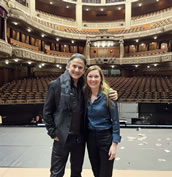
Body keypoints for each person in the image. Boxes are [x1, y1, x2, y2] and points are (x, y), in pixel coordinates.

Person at [43, 53, 118, 177]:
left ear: (84, 70)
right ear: (68, 66)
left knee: (77, 172)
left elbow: (100, 91)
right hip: (61, 137)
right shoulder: (55, 85)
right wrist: (53, 132)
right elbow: (47, 112)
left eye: (80, 68)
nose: (77, 70)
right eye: (74, 66)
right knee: (56, 173)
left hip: (80, 138)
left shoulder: (86, 86)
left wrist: (113, 94)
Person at [84, 65, 121, 177]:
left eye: (96, 76)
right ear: (86, 78)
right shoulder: (84, 94)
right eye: (90, 76)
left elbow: (115, 121)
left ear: (101, 78)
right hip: (90, 139)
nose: (93, 79)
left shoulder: (109, 95)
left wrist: (114, 144)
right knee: (96, 172)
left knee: (105, 174)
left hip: (105, 138)